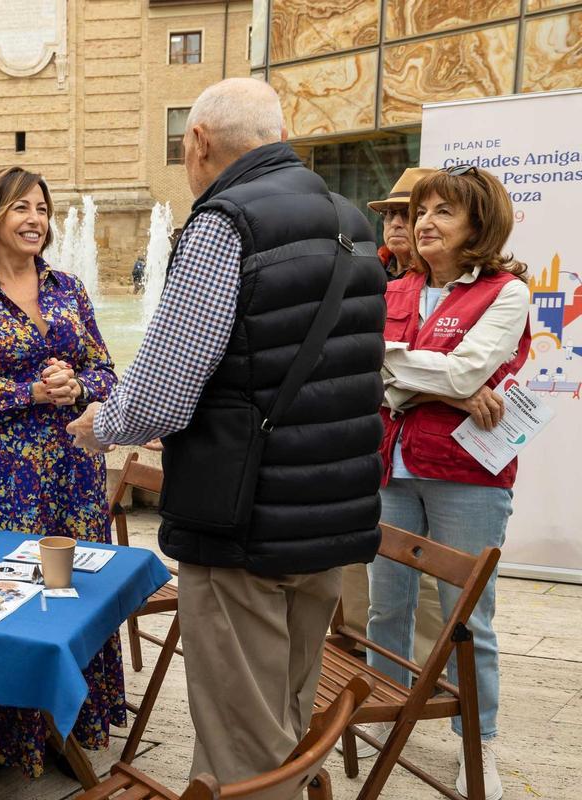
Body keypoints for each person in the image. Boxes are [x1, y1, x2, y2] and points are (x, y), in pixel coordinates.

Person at [67, 78, 387, 785]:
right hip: (331, 516)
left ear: (198, 142)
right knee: (288, 720)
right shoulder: (350, 220)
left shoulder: (225, 223)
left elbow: (163, 390)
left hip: (244, 521)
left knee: (242, 743)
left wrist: (101, 425)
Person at [0, 166, 122, 778]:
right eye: (21, 207)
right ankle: (3, 736)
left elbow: (106, 371)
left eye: (42, 209)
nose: (35, 219)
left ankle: (73, 727)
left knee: (75, 591)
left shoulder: (70, 288)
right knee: (9, 593)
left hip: (74, 465)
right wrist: (32, 392)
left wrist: (76, 384)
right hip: (3, 473)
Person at [364, 165, 531, 800]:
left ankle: (476, 740)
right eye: (421, 211)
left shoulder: (506, 293)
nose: (424, 223)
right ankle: (385, 710)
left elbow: (464, 373)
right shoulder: (393, 289)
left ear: (478, 225)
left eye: (443, 212)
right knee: (387, 605)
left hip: (467, 474)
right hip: (392, 465)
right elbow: (368, 374)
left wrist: (414, 374)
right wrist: (453, 389)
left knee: (468, 619)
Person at [340, 167, 443, 684]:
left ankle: (425, 668)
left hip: (426, 449)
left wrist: (443, 388)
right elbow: (355, 359)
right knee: (362, 547)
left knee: (420, 562)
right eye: (392, 215)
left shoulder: (447, 291)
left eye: (409, 213)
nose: (399, 224)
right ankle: (362, 648)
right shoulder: (368, 273)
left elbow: (449, 370)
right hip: (366, 435)